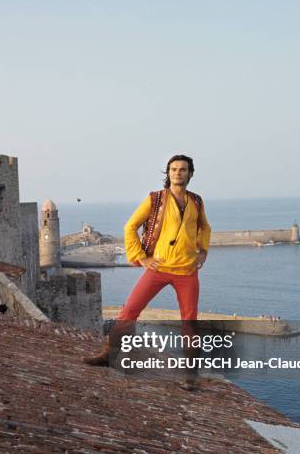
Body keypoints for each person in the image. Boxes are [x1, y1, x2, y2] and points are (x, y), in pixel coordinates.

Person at [86, 154, 211, 369]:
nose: (177, 173)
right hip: (159, 268)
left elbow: (204, 227)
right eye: (173, 169)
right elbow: (130, 226)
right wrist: (141, 258)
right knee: (129, 311)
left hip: (187, 271)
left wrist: (203, 251)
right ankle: (109, 354)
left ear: (190, 173)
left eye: (182, 169)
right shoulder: (155, 199)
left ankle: (190, 372)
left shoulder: (196, 201)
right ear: (168, 173)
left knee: (189, 321)